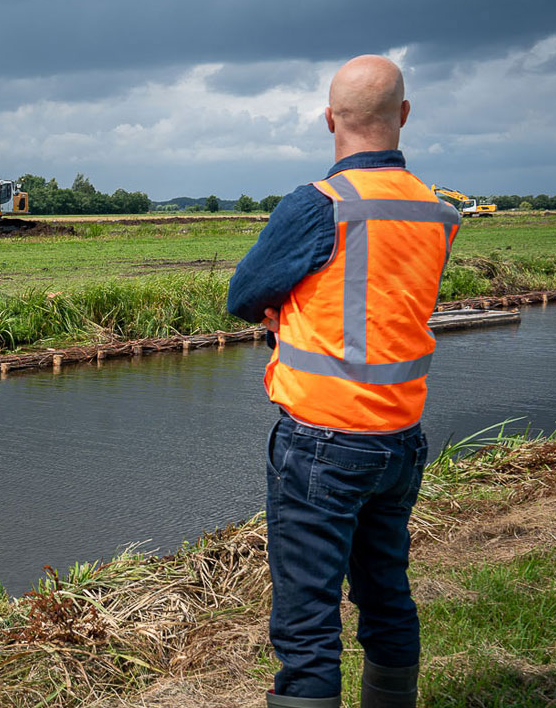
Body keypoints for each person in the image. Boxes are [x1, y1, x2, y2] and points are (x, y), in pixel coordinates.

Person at [227, 55, 461, 708]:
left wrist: (279, 307)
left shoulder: (317, 206)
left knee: (306, 621)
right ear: (404, 116)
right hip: (400, 439)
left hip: (322, 445)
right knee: (386, 592)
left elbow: (244, 293)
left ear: (330, 119)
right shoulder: (437, 215)